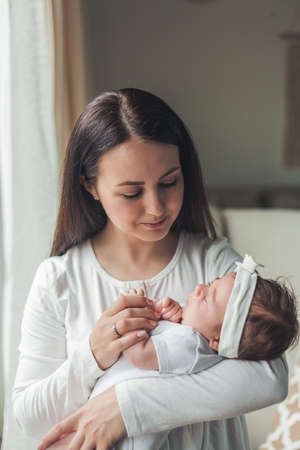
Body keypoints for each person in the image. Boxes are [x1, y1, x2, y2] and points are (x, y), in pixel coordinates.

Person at [12, 88, 288, 450]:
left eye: (169, 182)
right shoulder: (59, 280)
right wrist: (92, 356)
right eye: (131, 193)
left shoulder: (214, 265)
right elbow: (29, 417)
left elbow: (271, 376)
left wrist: (129, 407)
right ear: (90, 186)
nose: (157, 208)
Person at [86, 255, 299, 449]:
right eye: (208, 284)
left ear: (216, 341)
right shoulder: (193, 341)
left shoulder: (188, 344)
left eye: (206, 297)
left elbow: (140, 355)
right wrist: (174, 316)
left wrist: (132, 322)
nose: (198, 288)